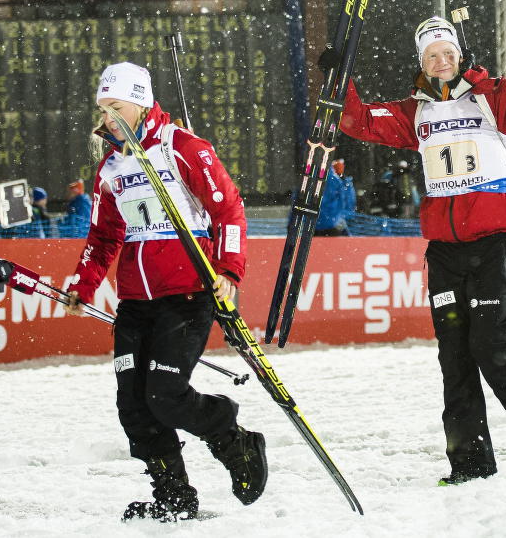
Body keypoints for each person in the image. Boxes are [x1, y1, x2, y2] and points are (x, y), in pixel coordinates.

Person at [339, 5, 506, 485]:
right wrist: (342, 78)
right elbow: (356, 122)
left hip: (493, 243)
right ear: (422, 61)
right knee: (454, 355)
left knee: (489, 343)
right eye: (432, 55)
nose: (441, 61)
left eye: (447, 52)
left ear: (458, 55)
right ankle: (471, 463)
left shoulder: (492, 98)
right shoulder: (412, 111)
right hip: (444, 250)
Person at [62, 61, 266, 521]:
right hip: (135, 301)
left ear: (139, 102)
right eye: (102, 108)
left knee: (166, 395)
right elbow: (102, 238)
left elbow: (229, 211)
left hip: (188, 294)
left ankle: (233, 440)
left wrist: (229, 271)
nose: (108, 117)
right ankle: (174, 498)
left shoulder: (183, 148)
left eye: (116, 107)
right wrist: (83, 285)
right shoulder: (110, 167)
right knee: (133, 406)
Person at [314, 158, 357, 236]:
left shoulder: (317, 176)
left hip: (317, 222)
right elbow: (347, 203)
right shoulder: (337, 181)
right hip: (332, 221)